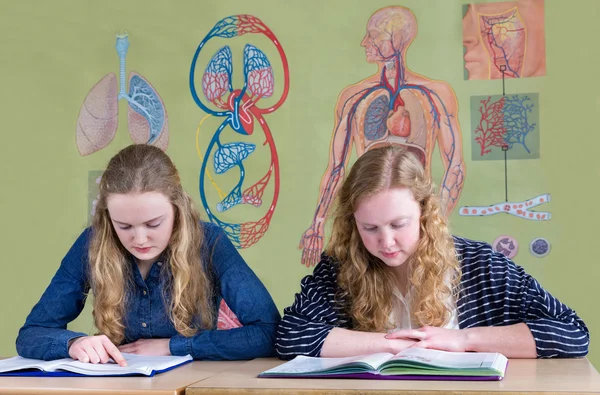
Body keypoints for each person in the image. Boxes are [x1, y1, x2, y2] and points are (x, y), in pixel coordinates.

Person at [278, 146, 588, 359]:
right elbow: (291, 335)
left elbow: (571, 333)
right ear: (353, 222)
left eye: (398, 224)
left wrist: (463, 340)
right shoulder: (341, 268)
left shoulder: (480, 265)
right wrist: (396, 345)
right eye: (369, 228)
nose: (386, 242)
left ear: (425, 212)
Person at [16, 144, 280, 365]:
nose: (139, 239)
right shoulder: (93, 242)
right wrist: (73, 343)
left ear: (177, 209)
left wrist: (173, 347)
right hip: (120, 384)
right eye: (124, 226)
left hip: (189, 383)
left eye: (154, 224)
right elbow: (31, 334)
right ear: (108, 217)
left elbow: (269, 333)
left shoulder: (210, 242)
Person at [299, 6, 465, 267]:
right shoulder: (354, 97)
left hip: (420, 230)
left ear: (397, 40)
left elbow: (454, 166)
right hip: (367, 244)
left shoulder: (434, 95)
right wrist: (317, 223)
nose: (365, 42)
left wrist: (434, 226)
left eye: (374, 35)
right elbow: (336, 168)